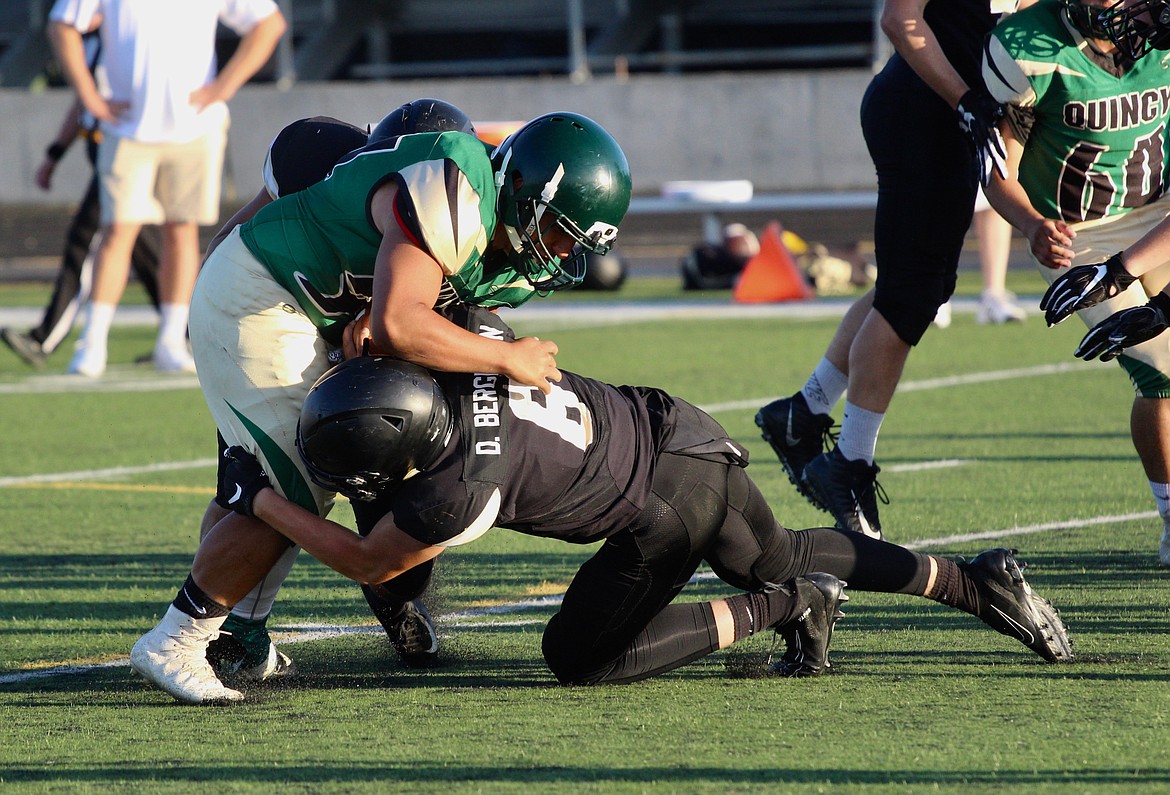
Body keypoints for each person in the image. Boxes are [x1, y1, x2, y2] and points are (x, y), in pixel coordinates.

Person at [126, 304, 1072, 703]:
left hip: (657, 511)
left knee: (580, 657)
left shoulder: (458, 485)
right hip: (681, 432)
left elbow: (376, 557)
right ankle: (969, 581)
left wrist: (262, 500)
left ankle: (780, 608)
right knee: (785, 547)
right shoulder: (451, 354)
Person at [163, 110, 632, 684]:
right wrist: (508, 358)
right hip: (263, 297)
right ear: (527, 196)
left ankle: (238, 633)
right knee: (294, 483)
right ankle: (185, 639)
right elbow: (398, 324)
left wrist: (375, 315)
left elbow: (408, 304)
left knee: (281, 477)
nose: (561, 254)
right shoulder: (451, 189)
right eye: (559, 232)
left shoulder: (503, 244)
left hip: (307, 312)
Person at [198, 100, 480, 679]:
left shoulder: (460, 215)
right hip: (284, 330)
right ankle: (227, 627)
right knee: (265, 478)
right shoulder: (317, 154)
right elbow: (233, 243)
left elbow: (461, 322)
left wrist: (389, 327)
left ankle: (393, 598)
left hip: (390, 370)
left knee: (398, 545)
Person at [754, 0, 1027, 539]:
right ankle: (848, 465)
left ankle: (803, 414)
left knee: (916, 286)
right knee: (912, 295)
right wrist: (967, 99)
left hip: (956, 116)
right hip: (921, 111)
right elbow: (900, 19)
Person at [979, 0, 1170, 569]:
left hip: (1158, 217)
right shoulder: (1028, 50)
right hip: (1077, 234)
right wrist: (1033, 226)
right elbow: (997, 172)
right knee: (1161, 368)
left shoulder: (1160, 33)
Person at [47, 0, 287, 377]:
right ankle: (91, 343)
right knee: (118, 232)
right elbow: (62, 25)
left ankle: (172, 341)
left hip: (194, 126)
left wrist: (223, 86)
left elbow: (268, 24)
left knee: (182, 231)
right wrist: (91, 98)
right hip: (126, 127)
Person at [1, 31, 161, 368]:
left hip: (124, 149)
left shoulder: (130, 38)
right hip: (103, 150)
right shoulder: (90, 42)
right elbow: (83, 103)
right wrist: (55, 153)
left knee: (85, 240)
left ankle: (45, 338)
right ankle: (184, 336)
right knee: (142, 249)